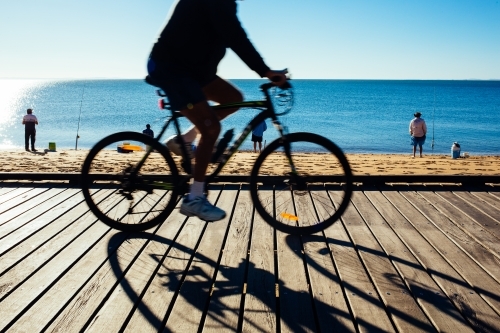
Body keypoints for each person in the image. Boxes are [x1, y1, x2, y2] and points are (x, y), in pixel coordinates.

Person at [146, 0, 287, 222]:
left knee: (233, 98)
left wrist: (264, 70)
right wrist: (266, 71)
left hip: (193, 71)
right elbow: (235, 36)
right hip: (171, 67)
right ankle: (194, 198)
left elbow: (230, 34)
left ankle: (186, 139)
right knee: (211, 128)